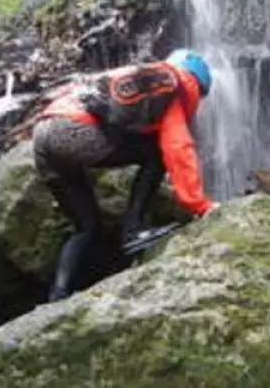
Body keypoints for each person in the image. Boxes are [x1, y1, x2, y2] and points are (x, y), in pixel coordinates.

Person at [32, 49, 219, 302]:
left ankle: (58, 295)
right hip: (71, 129)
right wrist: (200, 205)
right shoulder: (174, 86)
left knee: (87, 226)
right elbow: (178, 148)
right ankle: (133, 231)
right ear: (197, 82)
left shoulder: (136, 78)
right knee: (156, 150)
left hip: (43, 134)